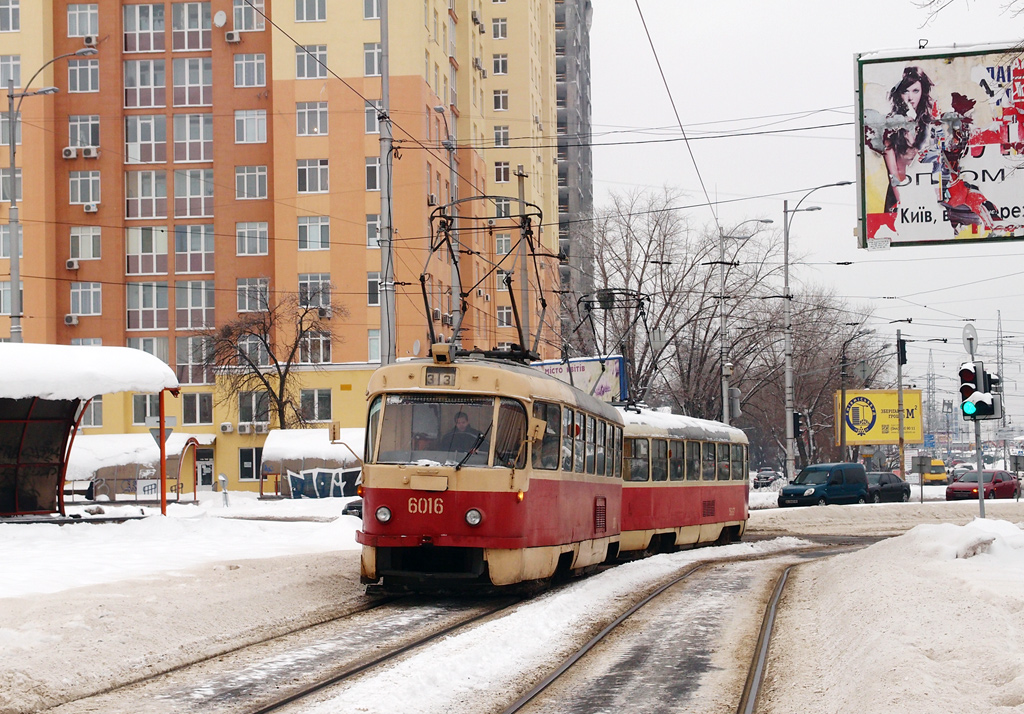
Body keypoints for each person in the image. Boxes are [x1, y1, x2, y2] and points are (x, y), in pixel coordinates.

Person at [880, 66, 940, 213]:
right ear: (898, 94)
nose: (910, 97)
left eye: (915, 91)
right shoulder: (890, 128)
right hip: (900, 197)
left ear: (923, 92)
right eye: (905, 91)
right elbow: (893, 174)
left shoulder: (931, 124)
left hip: (927, 194)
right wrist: (904, 203)